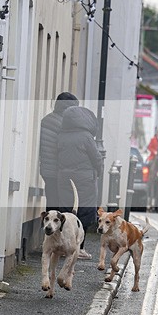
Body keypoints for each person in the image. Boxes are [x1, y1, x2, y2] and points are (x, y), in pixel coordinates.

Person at [57, 105, 103, 260]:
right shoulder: (86, 136)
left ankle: (63, 246)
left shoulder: (61, 135)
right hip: (84, 180)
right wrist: (99, 171)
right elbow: (96, 158)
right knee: (83, 214)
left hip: (64, 178)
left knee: (66, 212)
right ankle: (79, 248)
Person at [39, 92, 79, 211]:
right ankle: (61, 229)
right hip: (61, 170)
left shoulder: (46, 120)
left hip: (47, 170)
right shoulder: (66, 124)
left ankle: (49, 228)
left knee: (51, 201)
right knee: (64, 204)